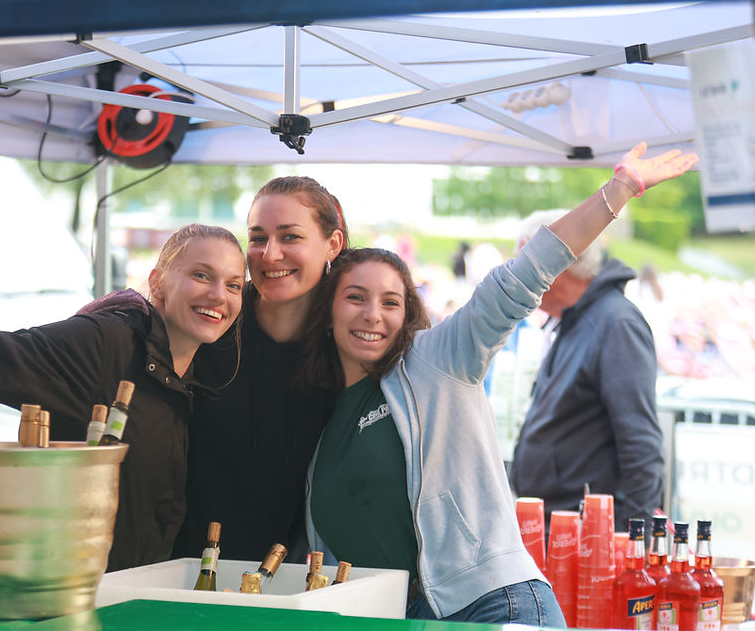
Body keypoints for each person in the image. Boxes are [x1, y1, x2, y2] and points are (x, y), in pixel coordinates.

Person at [296, 142, 697, 625]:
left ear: (407, 316)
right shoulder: (321, 415)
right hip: (412, 618)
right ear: (329, 310)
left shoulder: (435, 358)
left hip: (493, 606)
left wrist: (618, 191)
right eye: (355, 297)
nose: (372, 315)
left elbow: (522, 275)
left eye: (390, 303)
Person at [0, 169, 246, 571]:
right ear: (158, 283)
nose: (218, 295)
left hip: (144, 597)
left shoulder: (208, 376)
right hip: (71, 598)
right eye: (201, 275)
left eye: (234, 284)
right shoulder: (105, 342)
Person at [171, 176, 348, 561]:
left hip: (298, 586)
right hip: (186, 574)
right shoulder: (211, 325)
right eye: (257, 238)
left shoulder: (350, 349)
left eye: (289, 237)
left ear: (332, 244)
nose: (269, 255)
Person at [510, 209, 664, 534]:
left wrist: (632, 543)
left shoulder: (614, 324)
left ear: (558, 262)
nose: (516, 273)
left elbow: (640, 443)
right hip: (561, 525)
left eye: (523, 261)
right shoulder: (579, 319)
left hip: (587, 534)